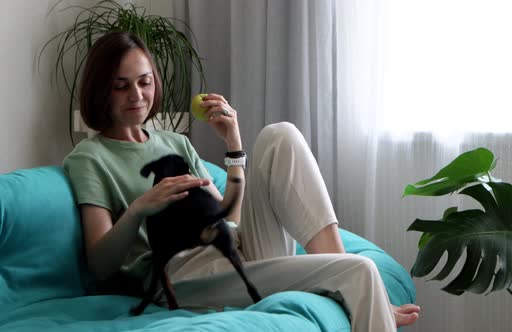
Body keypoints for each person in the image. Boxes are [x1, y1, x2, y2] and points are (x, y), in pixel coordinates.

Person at [63, 31, 420, 331]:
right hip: (180, 273)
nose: (137, 96)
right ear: (101, 90)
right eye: (121, 86)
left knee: (281, 135)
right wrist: (141, 207)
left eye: (144, 82)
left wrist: (232, 143)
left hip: (232, 250)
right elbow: (100, 262)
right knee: (361, 269)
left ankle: (332, 263)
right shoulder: (90, 158)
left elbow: (228, 217)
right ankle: (343, 277)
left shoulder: (175, 143)